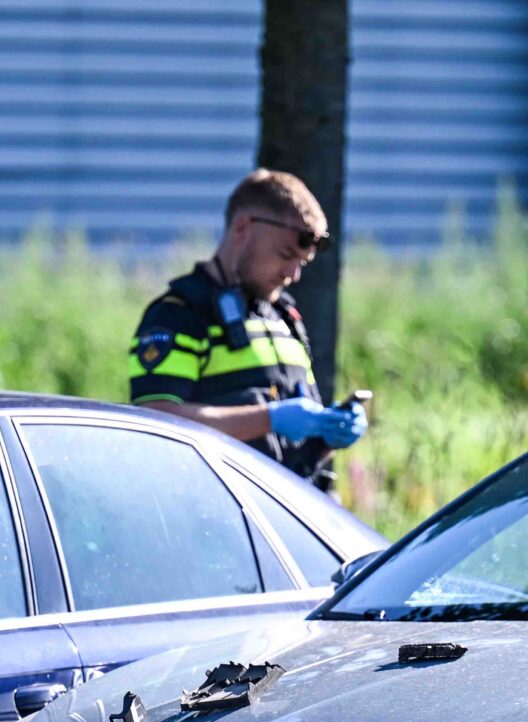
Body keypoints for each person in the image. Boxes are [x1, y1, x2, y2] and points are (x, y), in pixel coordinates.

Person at [129, 169, 367, 488]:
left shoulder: (285, 318)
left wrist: (327, 435)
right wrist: (270, 419)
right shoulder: (179, 315)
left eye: (302, 262)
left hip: (290, 515)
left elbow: (293, 453)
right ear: (242, 227)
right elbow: (156, 420)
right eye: (285, 255)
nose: (293, 274)